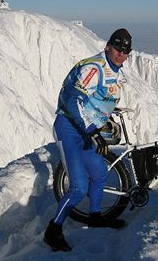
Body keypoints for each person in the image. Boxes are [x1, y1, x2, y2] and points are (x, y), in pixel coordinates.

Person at [44, 28, 132, 252]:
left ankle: (94, 217)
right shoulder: (94, 68)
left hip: (85, 129)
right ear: (107, 47)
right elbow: (74, 102)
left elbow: (96, 99)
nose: (122, 54)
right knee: (79, 187)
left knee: (100, 174)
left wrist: (107, 114)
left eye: (126, 50)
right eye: (118, 48)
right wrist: (93, 130)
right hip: (69, 128)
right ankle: (53, 230)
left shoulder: (115, 70)